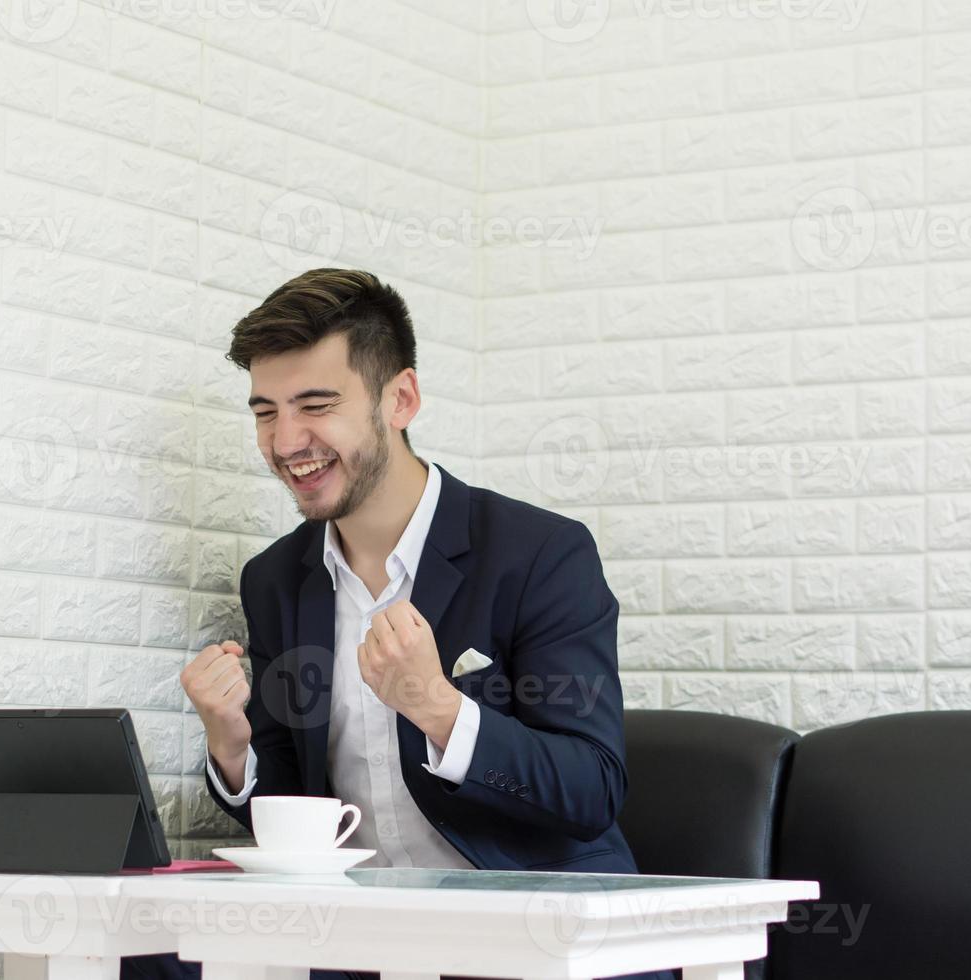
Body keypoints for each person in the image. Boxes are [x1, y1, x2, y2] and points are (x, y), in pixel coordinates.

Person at [123, 268, 672, 980]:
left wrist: (438, 707)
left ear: (400, 400)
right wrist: (232, 744)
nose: (287, 442)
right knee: (142, 957)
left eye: (316, 405)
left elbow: (591, 787)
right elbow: (294, 799)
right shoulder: (276, 579)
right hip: (358, 935)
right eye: (266, 412)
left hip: (526, 927)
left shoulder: (540, 554)